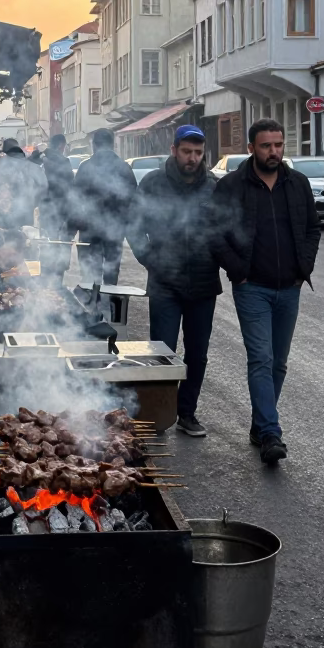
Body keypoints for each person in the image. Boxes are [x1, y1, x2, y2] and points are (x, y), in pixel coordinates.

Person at [211, 119, 320, 466]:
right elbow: (214, 233)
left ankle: (261, 423)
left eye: (278, 145)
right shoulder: (231, 186)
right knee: (261, 358)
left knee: (279, 362)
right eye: (266, 146)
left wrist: (304, 269)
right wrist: (237, 271)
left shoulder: (297, 183)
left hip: (289, 288)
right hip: (252, 288)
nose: (274, 152)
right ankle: (271, 433)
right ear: (251, 149)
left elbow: (312, 229)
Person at [128, 126, 221, 437]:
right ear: (174, 150)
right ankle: (158, 412)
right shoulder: (153, 183)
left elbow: (226, 228)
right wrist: (151, 261)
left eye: (198, 153)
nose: (192, 158)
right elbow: (133, 225)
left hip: (204, 284)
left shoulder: (212, 186)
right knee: (161, 351)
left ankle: (187, 413)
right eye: (186, 152)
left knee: (197, 353)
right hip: (164, 282)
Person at [69, 127, 137, 286]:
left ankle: (91, 301)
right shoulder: (124, 167)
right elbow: (133, 201)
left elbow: (75, 201)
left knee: (89, 278)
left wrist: (70, 230)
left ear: (94, 145)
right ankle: (110, 302)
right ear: (113, 145)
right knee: (111, 277)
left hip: (88, 231)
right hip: (115, 231)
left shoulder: (85, 167)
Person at [0, 139, 47, 230]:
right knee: (26, 237)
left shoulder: (0, 169)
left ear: (5, 152)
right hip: (29, 216)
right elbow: (44, 190)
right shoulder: (35, 168)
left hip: (5, 218)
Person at [40, 134, 75, 275]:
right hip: (62, 208)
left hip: (46, 208)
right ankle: (59, 274)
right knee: (63, 242)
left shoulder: (42, 160)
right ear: (61, 145)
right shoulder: (64, 161)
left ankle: (48, 274)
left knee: (48, 242)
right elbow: (70, 186)